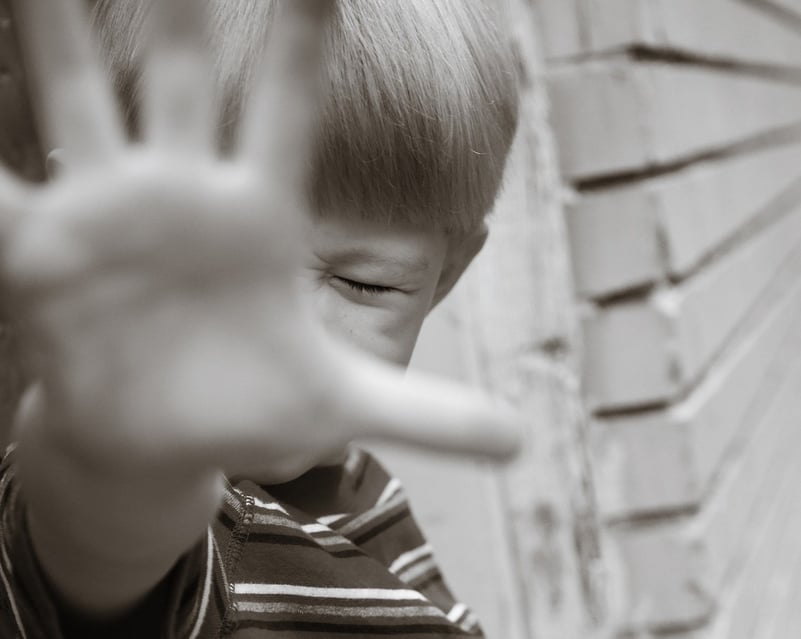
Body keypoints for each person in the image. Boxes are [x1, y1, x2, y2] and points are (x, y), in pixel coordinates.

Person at [0, 0, 520, 636]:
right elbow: (106, 545)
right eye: (211, 270)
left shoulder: (367, 498)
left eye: (366, 283)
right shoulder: (148, 497)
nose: (285, 333)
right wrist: (121, 465)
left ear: (447, 277)